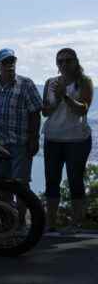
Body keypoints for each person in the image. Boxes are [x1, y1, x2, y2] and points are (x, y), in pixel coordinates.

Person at [0, 49, 43, 225]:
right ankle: (9, 222)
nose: (10, 65)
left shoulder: (25, 84)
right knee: (2, 186)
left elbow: (35, 113)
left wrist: (34, 138)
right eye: (5, 62)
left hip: (19, 144)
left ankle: (22, 222)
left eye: (12, 61)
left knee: (21, 185)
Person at [42, 48, 94, 234]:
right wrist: (56, 99)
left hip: (77, 139)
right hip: (53, 138)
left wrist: (65, 96)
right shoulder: (50, 82)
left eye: (68, 60)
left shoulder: (84, 82)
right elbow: (45, 112)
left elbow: (83, 110)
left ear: (76, 62)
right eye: (60, 61)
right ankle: (51, 223)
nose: (64, 64)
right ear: (57, 64)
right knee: (52, 180)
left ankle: (76, 223)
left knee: (75, 180)